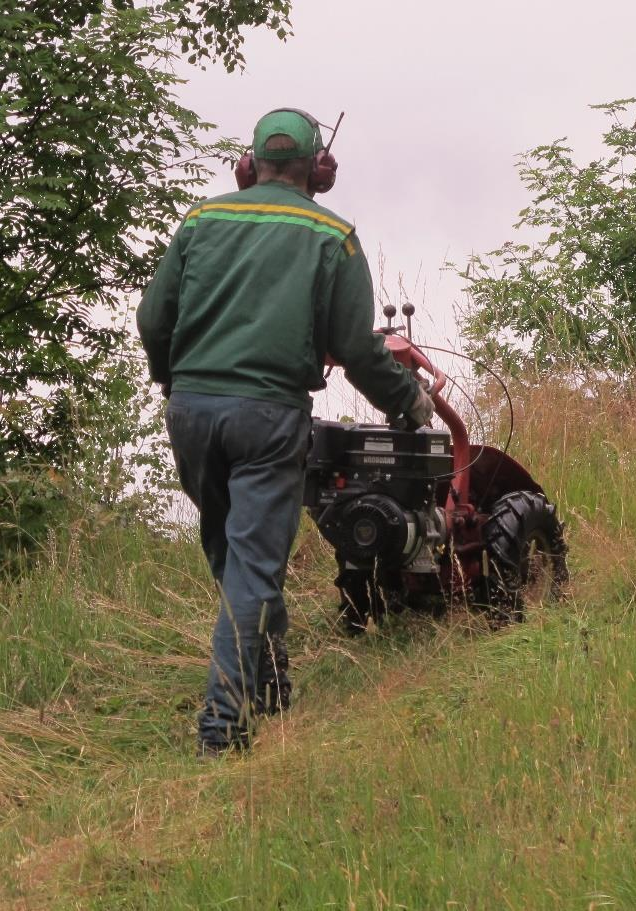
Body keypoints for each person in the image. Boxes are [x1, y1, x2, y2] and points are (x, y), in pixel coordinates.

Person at [136, 108, 434, 756]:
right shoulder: (334, 236)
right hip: (268, 416)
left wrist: (173, 380)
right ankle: (223, 728)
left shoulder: (201, 221)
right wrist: (409, 400)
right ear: (317, 172)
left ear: (248, 166)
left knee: (231, 553)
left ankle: (270, 686)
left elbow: (153, 316)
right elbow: (357, 347)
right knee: (249, 566)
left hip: (190, 410)